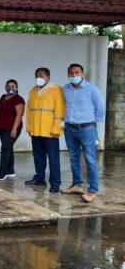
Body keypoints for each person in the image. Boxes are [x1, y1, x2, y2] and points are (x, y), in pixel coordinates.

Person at [60, 64, 105, 203]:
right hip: (69, 129)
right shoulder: (65, 89)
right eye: (71, 73)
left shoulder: (91, 88)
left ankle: (92, 190)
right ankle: (77, 185)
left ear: (82, 74)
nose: (74, 75)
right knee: (74, 158)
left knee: (90, 160)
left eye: (76, 72)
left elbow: (100, 107)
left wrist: (92, 122)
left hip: (86, 129)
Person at [25, 67, 64, 193]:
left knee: (53, 158)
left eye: (41, 76)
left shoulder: (56, 91)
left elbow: (59, 112)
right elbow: (29, 112)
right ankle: (40, 178)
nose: (38, 78)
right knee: (38, 157)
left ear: (48, 77)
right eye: (37, 76)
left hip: (50, 132)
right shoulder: (33, 91)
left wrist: (56, 130)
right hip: (36, 131)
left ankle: (55, 183)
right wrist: (29, 128)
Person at [0, 79, 25, 181]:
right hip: (2, 128)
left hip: (12, 128)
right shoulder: (3, 97)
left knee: (5, 149)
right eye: (8, 85)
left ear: (16, 88)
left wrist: (14, 129)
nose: (10, 87)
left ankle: (2, 172)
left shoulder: (18, 99)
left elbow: (19, 115)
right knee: (9, 148)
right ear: (5, 87)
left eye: (12, 85)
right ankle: (10, 170)